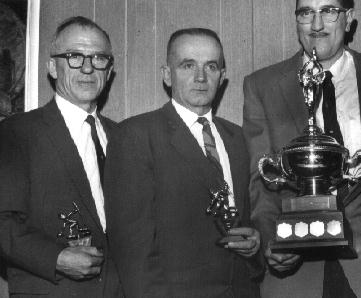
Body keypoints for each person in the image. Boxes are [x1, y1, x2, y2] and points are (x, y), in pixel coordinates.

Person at [243, 0, 361, 297]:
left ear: (349, 18)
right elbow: (261, 180)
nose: (316, 23)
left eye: (328, 11)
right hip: (293, 265)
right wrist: (272, 243)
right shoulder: (263, 86)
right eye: (305, 12)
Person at [104, 28, 263, 297]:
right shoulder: (135, 135)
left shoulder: (238, 138)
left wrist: (255, 243)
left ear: (222, 77)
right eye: (188, 65)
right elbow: (133, 250)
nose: (200, 77)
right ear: (167, 74)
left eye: (210, 67)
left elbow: (246, 219)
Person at [0, 16, 122, 297]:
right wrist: (55, 258)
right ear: (53, 67)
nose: (88, 68)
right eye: (74, 57)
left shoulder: (124, 137)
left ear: (110, 70)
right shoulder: (17, 133)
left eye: (99, 58)